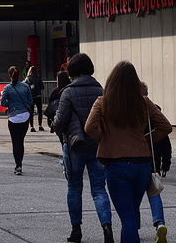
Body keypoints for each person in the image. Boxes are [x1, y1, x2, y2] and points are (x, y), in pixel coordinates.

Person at [85, 61, 172, 243]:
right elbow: (165, 127)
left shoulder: (102, 102)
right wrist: (145, 140)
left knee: (127, 216)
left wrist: (106, 140)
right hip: (142, 163)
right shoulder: (144, 102)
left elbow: (89, 127)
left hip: (116, 164)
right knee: (131, 212)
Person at [50, 53, 113, 243]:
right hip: (97, 144)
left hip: (75, 146)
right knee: (99, 190)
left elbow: (60, 123)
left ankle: (76, 230)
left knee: (74, 187)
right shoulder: (102, 90)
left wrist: (54, 124)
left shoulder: (67, 92)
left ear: (73, 72)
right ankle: (107, 229)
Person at [142, 81, 171, 243]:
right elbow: (166, 144)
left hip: (137, 162)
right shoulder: (156, 113)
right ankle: (160, 223)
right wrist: (166, 164)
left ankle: (134, 225)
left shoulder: (132, 113)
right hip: (153, 164)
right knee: (154, 194)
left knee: (134, 197)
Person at [0, 65, 33, 175]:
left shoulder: (7, 88)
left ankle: (18, 165)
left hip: (13, 116)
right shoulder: (25, 87)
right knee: (21, 141)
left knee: (15, 142)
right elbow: (30, 101)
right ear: (19, 75)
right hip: (25, 116)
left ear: (9, 75)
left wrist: (11, 104)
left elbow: (3, 103)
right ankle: (20, 164)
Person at [25, 66, 44, 132]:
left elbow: (25, 88)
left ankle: (32, 126)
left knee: (31, 112)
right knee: (40, 111)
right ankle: (40, 125)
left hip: (31, 97)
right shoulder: (38, 78)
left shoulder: (27, 79)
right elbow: (42, 87)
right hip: (38, 96)